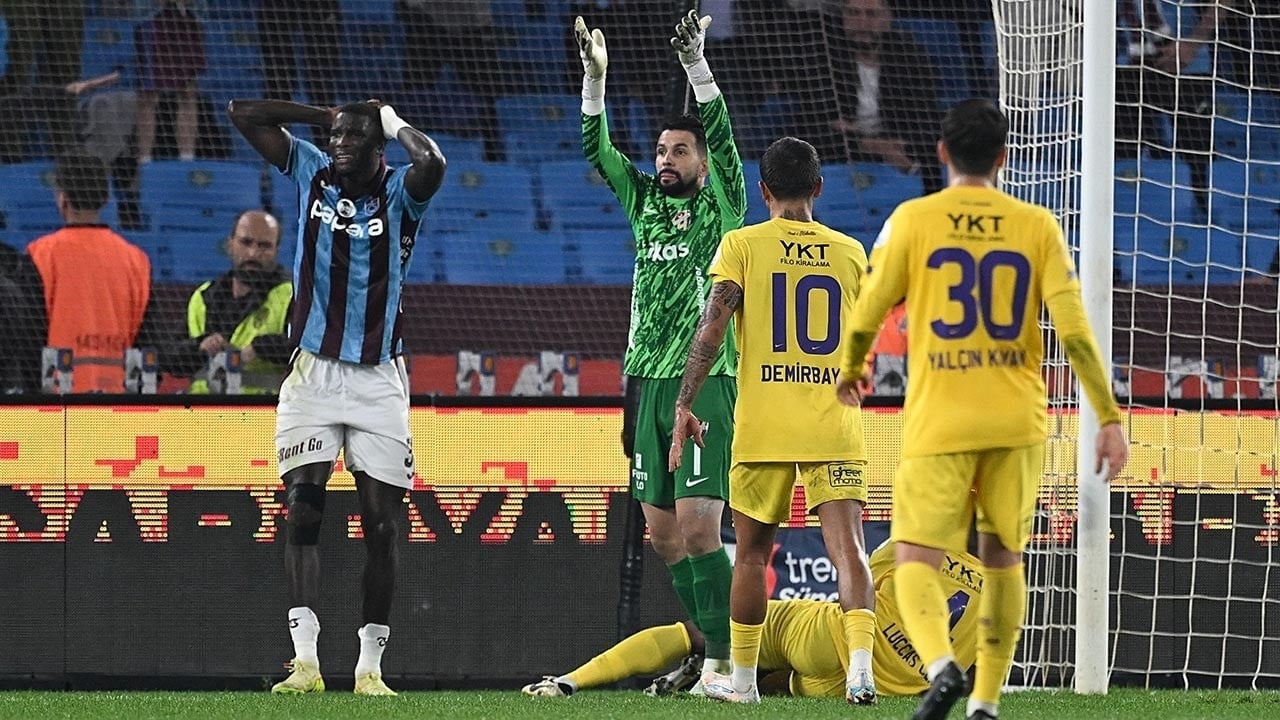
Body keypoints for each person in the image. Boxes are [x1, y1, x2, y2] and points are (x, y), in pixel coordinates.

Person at [834, 98, 1130, 720]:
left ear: (941, 153)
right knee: (1002, 558)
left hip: (942, 416)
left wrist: (853, 368)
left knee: (914, 555)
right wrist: (1107, 416)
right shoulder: (1037, 226)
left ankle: (941, 668)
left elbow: (868, 307)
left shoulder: (915, 219)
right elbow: (1074, 330)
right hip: (1018, 419)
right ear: (1002, 159)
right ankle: (986, 703)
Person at [227, 95, 446, 695]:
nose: (339, 146)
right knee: (303, 508)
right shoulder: (310, 169)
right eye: (336, 137)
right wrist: (325, 117)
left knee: (382, 526)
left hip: (378, 377)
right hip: (313, 373)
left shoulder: (402, 191)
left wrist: (394, 121)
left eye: (353, 138)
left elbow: (435, 164)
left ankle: (370, 667)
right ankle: (305, 662)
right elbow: (242, 112)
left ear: (378, 147)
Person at [669, 136, 878, 705]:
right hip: (833, 420)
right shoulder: (852, 252)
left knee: (753, 555)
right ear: (818, 188)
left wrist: (685, 402)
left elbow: (712, 328)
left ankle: (741, 684)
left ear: (763, 191)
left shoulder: (743, 245)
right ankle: (861, 671)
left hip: (763, 423)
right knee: (849, 550)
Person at [575, 9, 747, 687]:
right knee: (664, 536)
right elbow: (598, 152)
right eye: (661, 151)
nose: (665, 160)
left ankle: (732, 662)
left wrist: (696, 67)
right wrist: (596, 82)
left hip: (706, 380)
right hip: (646, 382)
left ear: (702, 160)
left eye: (680, 150)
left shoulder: (724, 204)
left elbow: (728, 140)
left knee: (703, 532)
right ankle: (712, 649)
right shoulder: (643, 200)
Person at [522, 540, 982, 699]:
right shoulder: (1002, 587)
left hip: (827, 637)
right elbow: (973, 664)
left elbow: (859, 584)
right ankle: (712, 675)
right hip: (879, 685)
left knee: (703, 634)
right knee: (782, 685)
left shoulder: (916, 543)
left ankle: (568, 682)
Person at [25, 154, 155, 393]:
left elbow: (28, 337)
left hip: (56, 400)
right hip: (118, 402)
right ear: (105, 199)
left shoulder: (39, 255)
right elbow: (149, 341)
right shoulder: (137, 260)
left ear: (62, 199)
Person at [821, 0, 944, 194]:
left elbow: (923, 112)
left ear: (887, 19)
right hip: (841, 144)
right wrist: (869, 144)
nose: (862, 23)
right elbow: (821, 117)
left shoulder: (910, 57)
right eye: (854, 13)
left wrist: (892, 143)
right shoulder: (826, 57)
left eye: (871, 14)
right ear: (843, 18)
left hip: (897, 140)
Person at [163, 210, 293, 394]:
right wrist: (200, 346)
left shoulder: (292, 296)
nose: (253, 253)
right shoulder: (203, 296)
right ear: (229, 244)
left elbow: (307, 349)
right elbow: (169, 357)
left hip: (261, 417)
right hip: (200, 416)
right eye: (246, 242)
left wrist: (260, 347)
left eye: (264, 246)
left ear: (276, 251)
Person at [134, 0, 207, 163]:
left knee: (187, 92)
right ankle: (144, 161)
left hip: (187, 21)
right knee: (148, 94)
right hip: (152, 20)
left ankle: (187, 158)